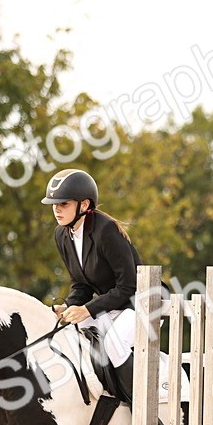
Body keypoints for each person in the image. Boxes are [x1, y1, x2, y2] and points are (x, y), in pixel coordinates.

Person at [41, 168, 142, 403]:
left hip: (140, 304)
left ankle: (144, 413)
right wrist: (67, 306)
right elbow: (81, 285)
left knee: (114, 346)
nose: (56, 209)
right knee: (68, 335)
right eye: (54, 204)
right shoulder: (62, 235)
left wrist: (86, 310)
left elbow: (129, 286)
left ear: (84, 204)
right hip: (108, 307)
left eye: (63, 203)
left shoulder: (106, 230)